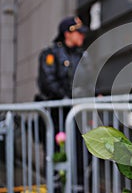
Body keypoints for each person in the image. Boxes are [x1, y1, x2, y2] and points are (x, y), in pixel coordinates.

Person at [36, 16, 90, 192]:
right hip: (57, 113)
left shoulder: (82, 55)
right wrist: (68, 97)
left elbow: (90, 80)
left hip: (78, 114)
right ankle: (58, 185)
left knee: (82, 151)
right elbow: (47, 82)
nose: (82, 36)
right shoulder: (51, 54)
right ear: (67, 33)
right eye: (79, 33)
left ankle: (79, 185)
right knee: (58, 150)